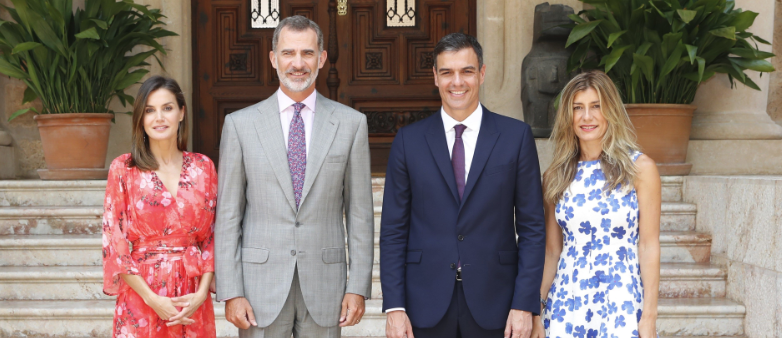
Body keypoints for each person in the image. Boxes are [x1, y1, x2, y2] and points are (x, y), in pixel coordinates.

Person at [214, 15, 374, 338]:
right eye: (288, 53)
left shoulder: (351, 124)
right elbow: (229, 215)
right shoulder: (240, 125)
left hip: (326, 285)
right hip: (259, 289)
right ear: (273, 59)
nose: (297, 63)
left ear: (322, 58)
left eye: (307, 53)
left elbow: (359, 214)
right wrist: (231, 290)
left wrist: (357, 286)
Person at [380, 32, 546, 338]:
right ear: (435, 77)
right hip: (423, 305)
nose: (457, 82)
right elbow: (393, 231)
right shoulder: (408, 141)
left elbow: (533, 229)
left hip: (497, 304)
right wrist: (395, 307)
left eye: (467, 71)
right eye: (447, 73)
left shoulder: (515, 137)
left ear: (481, 74)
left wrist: (525, 304)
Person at [531, 70, 661, 338]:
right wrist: (536, 311)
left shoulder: (640, 169)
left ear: (610, 111)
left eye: (596, 107)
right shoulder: (555, 176)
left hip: (621, 302)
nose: (586, 116)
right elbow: (552, 252)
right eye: (578, 108)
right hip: (568, 302)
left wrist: (649, 316)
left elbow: (648, 245)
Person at [102, 76, 217, 338]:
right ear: (141, 119)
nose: (159, 118)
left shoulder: (203, 167)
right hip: (142, 295)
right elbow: (115, 244)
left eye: (167, 108)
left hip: (191, 296)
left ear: (181, 113)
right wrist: (153, 300)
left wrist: (201, 294)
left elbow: (211, 238)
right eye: (149, 110)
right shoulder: (124, 169)